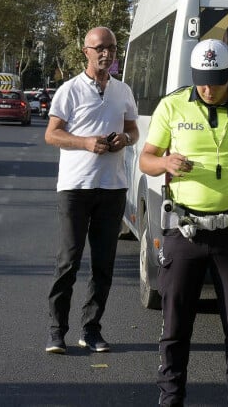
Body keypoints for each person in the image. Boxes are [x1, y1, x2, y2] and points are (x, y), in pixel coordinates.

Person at [140, 39, 228, 407]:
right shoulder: (173, 105)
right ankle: (170, 398)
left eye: (214, 80)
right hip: (184, 230)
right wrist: (164, 163)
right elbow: (147, 158)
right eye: (200, 80)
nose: (207, 89)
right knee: (175, 326)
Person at [43, 26, 139, 355]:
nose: (107, 54)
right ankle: (57, 331)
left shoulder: (123, 90)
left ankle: (91, 329)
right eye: (100, 48)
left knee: (103, 264)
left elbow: (133, 129)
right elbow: (52, 135)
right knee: (68, 261)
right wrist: (85, 142)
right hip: (75, 187)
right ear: (85, 51)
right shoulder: (69, 90)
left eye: (111, 48)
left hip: (112, 188)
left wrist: (124, 140)